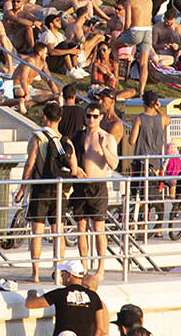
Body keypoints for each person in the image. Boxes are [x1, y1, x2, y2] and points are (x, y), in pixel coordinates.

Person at [18, 101, 82, 283]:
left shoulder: (38, 137)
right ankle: (58, 271)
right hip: (60, 190)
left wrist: (23, 187)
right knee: (58, 233)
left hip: (40, 189)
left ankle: (36, 273)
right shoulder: (66, 141)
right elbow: (74, 167)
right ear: (59, 119)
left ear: (44, 117)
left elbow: (30, 163)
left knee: (37, 233)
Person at [72, 102, 118, 281]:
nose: (91, 119)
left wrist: (103, 147)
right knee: (81, 228)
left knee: (98, 228)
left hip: (98, 186)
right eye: (88, 116)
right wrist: (75, 168)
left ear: (100, 117)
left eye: (94, 116)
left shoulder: (107, 137)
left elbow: (114, 164)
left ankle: (100, 268)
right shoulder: (79, 136)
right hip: (81, 186)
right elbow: (68, 153)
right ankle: (83, 266)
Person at [23, 260, 107, 336]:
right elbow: (101, 329)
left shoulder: (60, 294)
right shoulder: (94, 296)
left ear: (69, 275)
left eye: (62, 273)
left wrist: (31, 293)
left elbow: (30, 304)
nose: (61, 276)